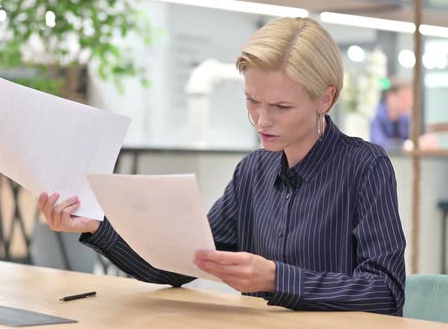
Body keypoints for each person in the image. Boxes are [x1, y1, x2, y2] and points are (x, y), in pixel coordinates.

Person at [38, 17, 406, 316]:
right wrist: (97, 227)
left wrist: (278, 279)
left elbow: (386, 293)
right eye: (251, 101)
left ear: (326, 97)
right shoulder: (252, 173)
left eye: (280, 107)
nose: (261, 121)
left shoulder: (365, 166)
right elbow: (176, 266)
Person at [370, 79, 412, 148]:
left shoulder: (406, 119)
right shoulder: (376, 118)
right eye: (404, 97)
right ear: (390, 97)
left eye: (410, 98)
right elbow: (379, 144)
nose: (409, 103)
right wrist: (406, 144)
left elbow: (411, 141)